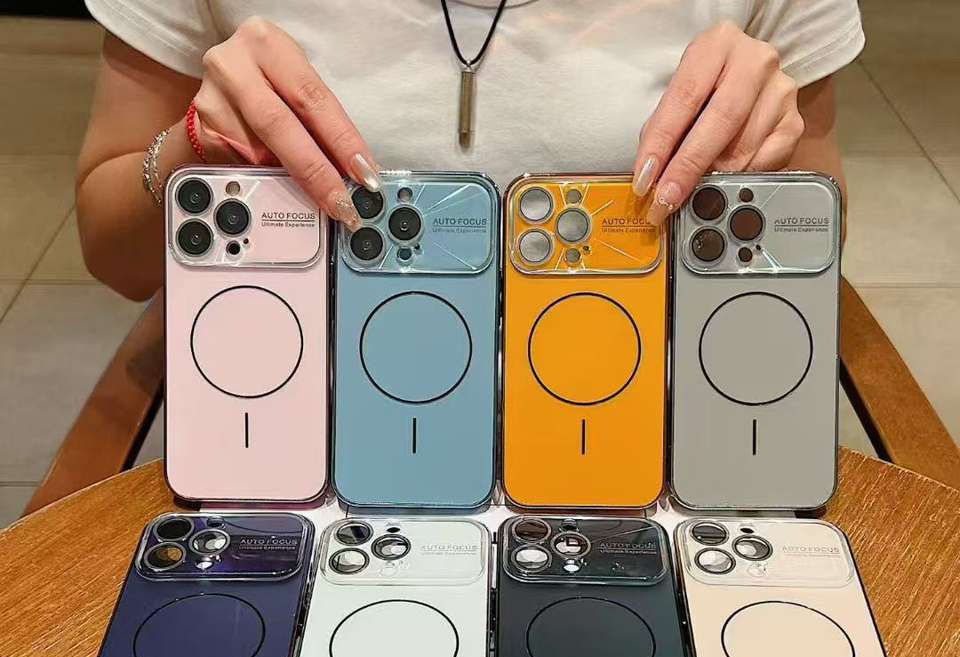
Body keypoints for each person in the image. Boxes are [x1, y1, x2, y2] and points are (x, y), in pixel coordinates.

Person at [77, 0, 862, 301]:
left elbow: (816, 247)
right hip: (295, 435)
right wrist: (193, 156)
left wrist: (767, 176)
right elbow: (114, 255)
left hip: (655, 434)